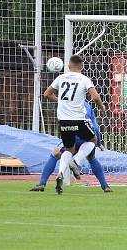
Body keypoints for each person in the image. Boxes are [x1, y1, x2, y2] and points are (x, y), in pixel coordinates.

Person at [42, 55, 105, 194]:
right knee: (93, 140)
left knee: (68, 149)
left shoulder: (61, 78)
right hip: (78, 119)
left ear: (68, 66)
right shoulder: (84, 79)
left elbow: (46, 94)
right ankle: (76, 162)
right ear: (81, 67)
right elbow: (95, 97)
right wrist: (101, 107)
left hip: (63, 121)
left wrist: (60, 101)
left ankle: (60, 174)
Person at [30, 100, 112, 193]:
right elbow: (96, 126)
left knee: (56, 153)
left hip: (74, 133)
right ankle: (105, 186)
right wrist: (98, 143)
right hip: (88, 135)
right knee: (91, 158)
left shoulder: (67, 103)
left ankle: (42, 183)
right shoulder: (88, 106)